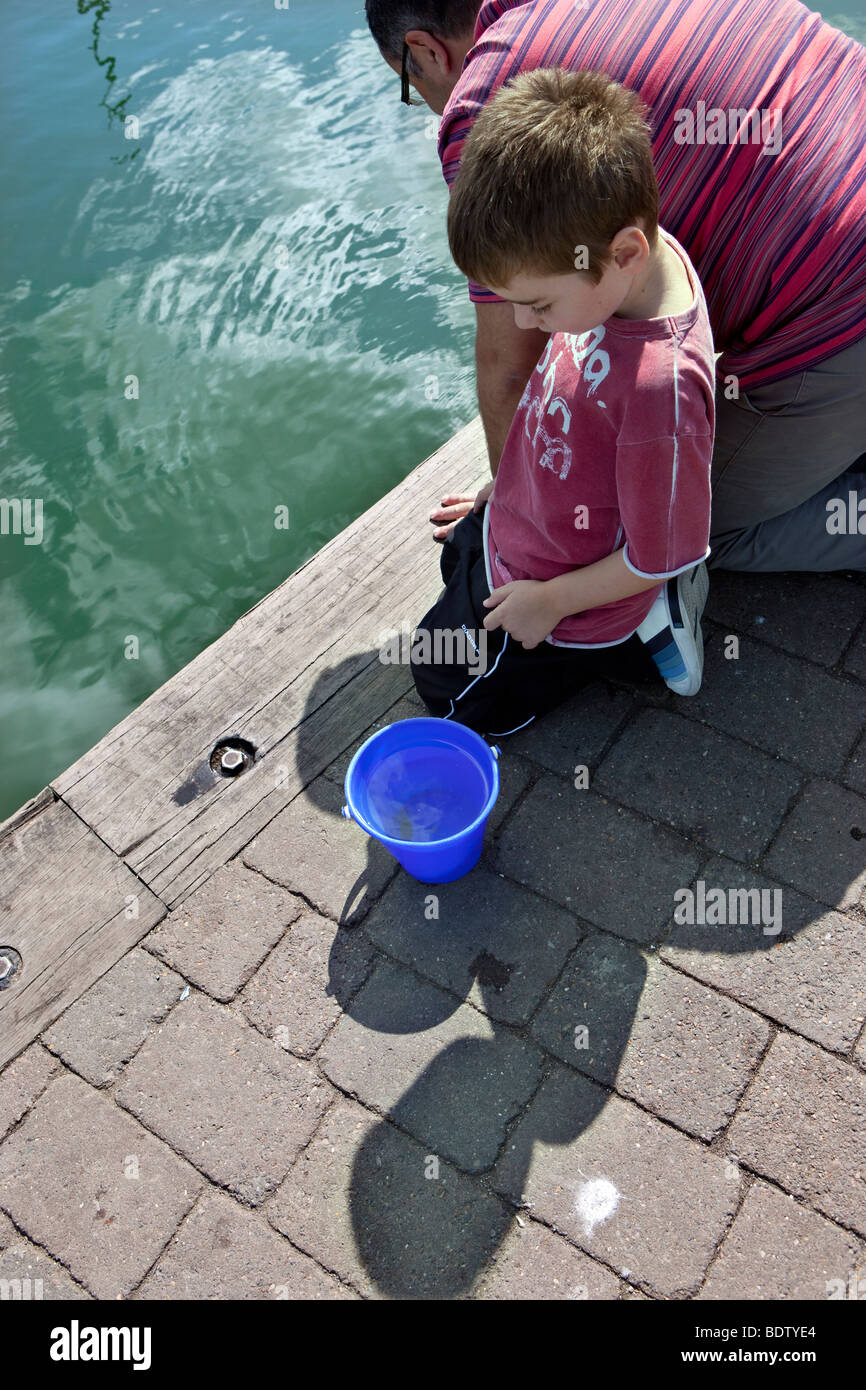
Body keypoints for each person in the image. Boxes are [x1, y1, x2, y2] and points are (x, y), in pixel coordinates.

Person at [365, 0, 866, 573]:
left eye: (411, 85)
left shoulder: (488, 112)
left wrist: (518, 501)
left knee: (677, 524)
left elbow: (509, 366)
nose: (429, 106)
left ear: (424, 51)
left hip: (845, 306)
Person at [410, 67, 715, 737]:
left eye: (539, 305)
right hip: (534, 524)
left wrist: (549, 602)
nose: (523, 325)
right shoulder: (631, 268)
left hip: (568, 597)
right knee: (456, 556)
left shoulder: (660, 391)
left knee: (443, 689)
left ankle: (645, 637)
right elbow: (572, 402)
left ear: (625, 251)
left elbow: (668, 547)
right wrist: (511, 480)